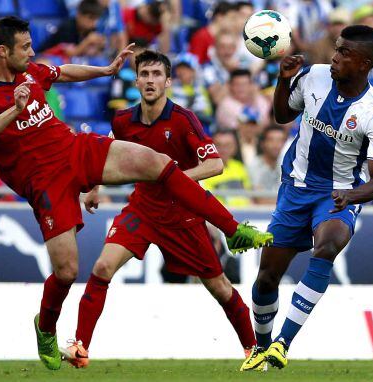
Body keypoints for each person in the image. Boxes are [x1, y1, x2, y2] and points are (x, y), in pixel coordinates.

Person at [0, 16, 272, 371]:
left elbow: (62, 72)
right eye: (25, 47)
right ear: (3, 52)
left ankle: (233, 231)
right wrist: (14, 110)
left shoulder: (29, 70)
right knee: (66, 272)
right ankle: (45, 327)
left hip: (72, 149)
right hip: (45, 182)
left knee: (157, 163)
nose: (32, 52)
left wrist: (106, 70)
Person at [61, 50, 259, 368]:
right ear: (136, 80)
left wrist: (172, 179)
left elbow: (215, 164)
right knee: (101, 268)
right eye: (144, 74)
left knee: (220, 288)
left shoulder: (183, 119)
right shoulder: (123, 121)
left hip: (183, 214)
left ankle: (254, 349)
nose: (150, 80)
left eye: (156, 74)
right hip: (142, 210)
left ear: (168, 81)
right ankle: (81, 345)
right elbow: (108, 152)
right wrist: (95, 186)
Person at [240, 25, 373, 371]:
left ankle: (283, 343)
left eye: (344, 53)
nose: (334, 57)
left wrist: (351, 194)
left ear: (364, 63)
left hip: (338, 193)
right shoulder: (314, 77)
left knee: (327, 245)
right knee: (266, 278)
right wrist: (283, 80)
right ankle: (262, 348)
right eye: (336, 49)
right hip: (296, 187)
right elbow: (281, 116)